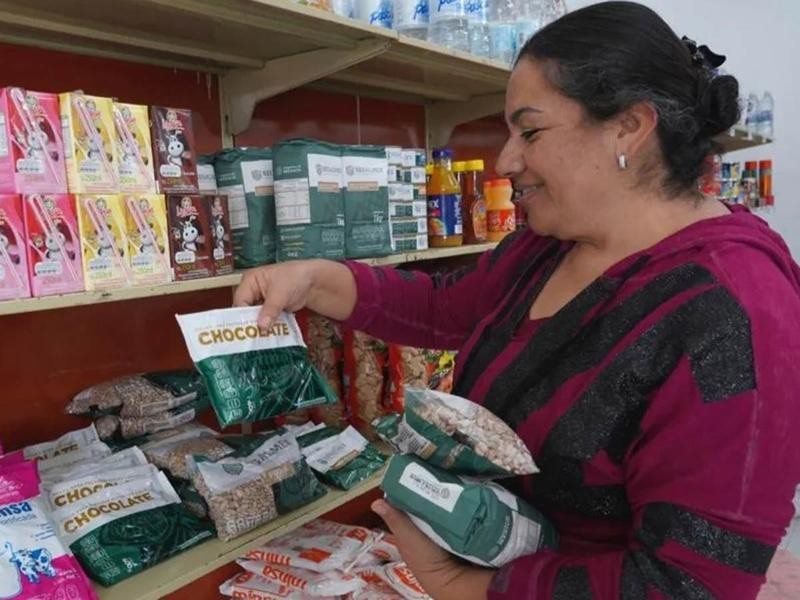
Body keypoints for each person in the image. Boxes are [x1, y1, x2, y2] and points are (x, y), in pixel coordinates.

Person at [234, 2, 800, 598]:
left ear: (629, 127)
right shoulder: (549, 243)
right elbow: (444, 307)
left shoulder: (734, 312)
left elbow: (687, 585)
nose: (507, 160)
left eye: (529, 132)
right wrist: (312, 279)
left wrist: (465, 586)